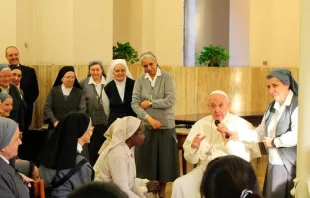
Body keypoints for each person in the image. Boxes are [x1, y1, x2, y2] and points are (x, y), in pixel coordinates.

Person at [222, 69, 298, 198]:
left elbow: (297, 135)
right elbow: (260, 132)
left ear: (287, 84)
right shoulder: (272, 106)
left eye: (275, 85)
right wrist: (236, 135)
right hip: (274, 161)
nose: (271, 90)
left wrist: (275, 142)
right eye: (268, 86)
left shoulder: (297, 105)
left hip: (289, 164)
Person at [171, 90, 261, 198]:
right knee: (179, 184)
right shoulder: (199, 124)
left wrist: (230, 142)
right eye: (213, 106)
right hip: (205, 169)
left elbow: (249, 157)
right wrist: (194, 147)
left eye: (220, 105)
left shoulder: (242, 124)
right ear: (208, 106)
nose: (216, 110)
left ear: (228, 105)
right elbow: (190, 158)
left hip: (231, 172)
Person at [131, 51, 179, 198]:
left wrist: (150, 103)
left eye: (151, 64)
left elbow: (170, 100)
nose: (148, 68)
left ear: (156, 62)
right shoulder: (140, 80)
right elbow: (134, 104)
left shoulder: (166, 77)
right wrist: (149, 119)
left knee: (164, 162)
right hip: (147, 127)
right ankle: (151, 191)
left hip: (166, 126)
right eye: (145, 66)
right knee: (147, 162)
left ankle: (163, 192)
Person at [94, 116, 160, 198]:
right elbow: (122, 190)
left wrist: (145, 183)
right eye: (142, 134)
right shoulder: (118, 155)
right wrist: (145, 188)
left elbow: (129, 180)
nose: (144, 137)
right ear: (131, 135)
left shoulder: (127, 149)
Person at [38, 112, 94, 198]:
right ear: (82, 132)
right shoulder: (83, 165)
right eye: (90, 128)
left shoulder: (47, 157)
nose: (92, 131)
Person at [80, 60, 109, 165]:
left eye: (98, 69)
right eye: (93, 70)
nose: (95, 72)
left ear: (102, 70)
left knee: (105, 150)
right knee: (93, 151)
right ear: (89, 71)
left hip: (107, 123)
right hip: (91, 125)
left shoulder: (109, 82)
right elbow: (81, 105)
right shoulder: (83, 83)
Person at [5, 46, 39, 131]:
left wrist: (22, 105)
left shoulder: (30, 71)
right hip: (5, 113)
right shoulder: (2, 71)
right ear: (6, 57)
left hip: (25, 113)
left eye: (15, 54)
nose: (14, 57)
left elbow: (35, 91)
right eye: (11, 55)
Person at [44, 66, 83, 137]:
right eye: (68, 77)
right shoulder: (54, 91)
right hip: (55, 127)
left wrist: (74, 123)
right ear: (61, 78)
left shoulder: (79, 93)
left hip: (73, 128)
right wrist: (54, 121)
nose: (71, 79)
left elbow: (82, 110)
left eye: (73, 77)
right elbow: (47, 108)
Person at [0, 117, 29, 198]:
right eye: (16, 139)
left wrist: (20, 179)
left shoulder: (5, 163)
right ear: (3, 146)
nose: (20, 142)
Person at [105, 59, 136, 126]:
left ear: (126, 71)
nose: (120, 73)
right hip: (114, 123)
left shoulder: (134, 84)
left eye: (123, 70)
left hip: (132, 122)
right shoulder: (107, 87)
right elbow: (106, 108)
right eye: (117, 71)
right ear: (112, 72)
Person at [0, 64, 24, 131]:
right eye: (4, 76)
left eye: (9, 76)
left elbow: (20, 110)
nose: (7, 79)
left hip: (12, 127)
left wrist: (20, 129)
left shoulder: (14, 89)